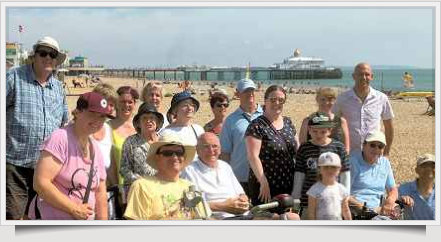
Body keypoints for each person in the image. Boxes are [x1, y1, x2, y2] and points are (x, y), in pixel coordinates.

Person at [6, 36, 69, 220]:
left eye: (53, 54)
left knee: (40, 216)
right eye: (43, 53)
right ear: (34, 56)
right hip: (16, 165)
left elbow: (64, 125)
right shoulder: (14, 77)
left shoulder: (58, 87)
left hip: (47, 169)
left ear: (57, 60)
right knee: (13, 216)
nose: (48, 57)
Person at [28, 92, 113, 220]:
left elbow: (100, 193)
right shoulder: (60, 138)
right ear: (77, 112)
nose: (97, 121)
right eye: (92, 114)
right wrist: (74, 209)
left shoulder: (95, 148)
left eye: (102, 117)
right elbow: (40, 183)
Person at [123, 133, 210, 220]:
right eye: (167, 153)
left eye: (179, 153)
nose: (175, 157)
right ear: (157, 158)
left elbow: (204, 221)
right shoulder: (142, 186)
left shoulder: (190, 187)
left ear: (184, 157)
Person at [245, 85, 298, 205]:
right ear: (265, 100)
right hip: (266, 185)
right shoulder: (256, 126)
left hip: (288, 182)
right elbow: (253, 156)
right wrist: (263, 182)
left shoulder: (288, 122)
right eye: (273, 100)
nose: (277, 103)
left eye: (281, 100)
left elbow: (297, 149)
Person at [292, 112, 350, 217]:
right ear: (309, 130)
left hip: (333, 201)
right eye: (315, 131)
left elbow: (345, 173)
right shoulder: (304, 148)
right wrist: (296, 198)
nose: (318, 135)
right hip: (308, 202)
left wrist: (345, 195)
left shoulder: (338, 147)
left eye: (323, 132)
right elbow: (299, 175)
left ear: (330, 131)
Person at [181, 133, 249, 219]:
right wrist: (224, 207)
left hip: (243, 215)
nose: (211, 150)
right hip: (216, 219)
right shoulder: (189, 170)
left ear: (220, 149)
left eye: (215, 146)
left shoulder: (225, 166)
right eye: (206, 146)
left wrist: (243, 201)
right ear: (197, 150)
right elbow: (190, 205)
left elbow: (241, 194)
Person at [333, 62, 394, 156]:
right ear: (354, 76)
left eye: (367, 74)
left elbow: (389, 127)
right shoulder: (342, 99)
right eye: (360, 74)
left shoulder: (381, 98)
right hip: (350, 153)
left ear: (372, 77)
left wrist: (386, 151)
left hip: (374, 153)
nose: (364, 77)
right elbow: (333, 125)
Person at [220, 78, 263, 195]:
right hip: (240, 179)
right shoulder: (230, 121)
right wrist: (227, 179)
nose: (250, 94)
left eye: (252, 90)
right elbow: (225, 154)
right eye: (245, 91)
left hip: (264, 177)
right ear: (237, 94)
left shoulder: (266, 115)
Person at [349, 130, 398, 217]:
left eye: (380, 146)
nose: (376, 149)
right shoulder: (353, 162)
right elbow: (343, 193)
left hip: (378, 210)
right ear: (363, 146)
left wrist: (390, 201)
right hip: (356, 210)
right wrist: (365, 209)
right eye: (372, 145)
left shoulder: (385, 163)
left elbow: (392, 189)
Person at [120, 103, 164, 185]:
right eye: (144, 118)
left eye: (152, 118)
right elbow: (124, 169)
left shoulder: (164, 141)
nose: (148, 121)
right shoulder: (130, 142)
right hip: (139, 190)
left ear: (157, 122)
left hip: (161, 188)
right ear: (138, 124)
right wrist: (138, 180)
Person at [299, 87, 350, 154]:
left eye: (330, 99)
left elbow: (346, 149)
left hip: (336, 162)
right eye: (323, 99)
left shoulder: (341, 121)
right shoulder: (307, 121)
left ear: (334, 101)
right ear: (317, 99)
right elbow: (303, 146)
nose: (326, 102)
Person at [108, 86, 139, 186]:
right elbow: (107, 164)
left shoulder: (141, 126)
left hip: (140, 187)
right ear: (116, 103)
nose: (126, 105)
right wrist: (117, 189)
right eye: (122, 101)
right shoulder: (107, 127)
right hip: (117, 188)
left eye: (130, 102)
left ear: (134, 104)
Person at [307, 152, 352, 220]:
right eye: (326, 167)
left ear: (339, 169)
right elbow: (311, 213)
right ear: (319, 169)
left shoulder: (341, 189)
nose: (329, 170)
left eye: (333, 167)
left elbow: (345, 210)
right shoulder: (314, 190)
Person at [398, 154, 435, 220]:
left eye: (432, 166)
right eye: (424, 166)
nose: (428, 169)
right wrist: (401, 201)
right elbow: (393, 210)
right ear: (416, 170)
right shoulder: (403, 190)